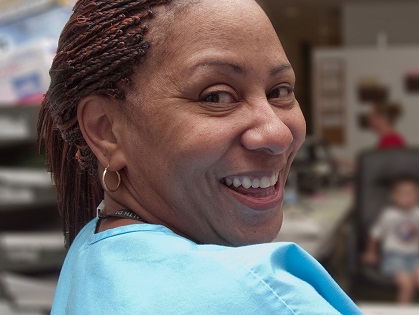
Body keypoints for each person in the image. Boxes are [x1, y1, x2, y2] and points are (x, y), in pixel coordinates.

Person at [38, 0, 361, 314]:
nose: (278, 135)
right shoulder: (255, 295)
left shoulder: (94, 252)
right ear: (106, 131)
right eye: (217, 96)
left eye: (279, 91)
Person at [361, 175, 419, 305]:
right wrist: (372, 253)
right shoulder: (388, 214)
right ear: (392, 196)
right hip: (394, 257)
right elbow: (374, 235)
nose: (407, 198)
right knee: (407, 286)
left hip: (417, 256)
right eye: (402, 194)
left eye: (411, 194)